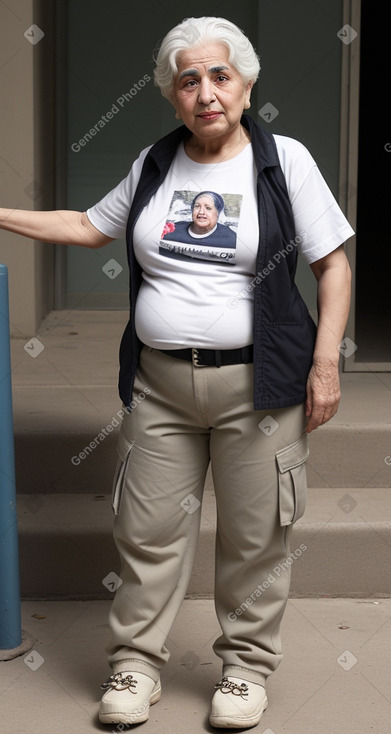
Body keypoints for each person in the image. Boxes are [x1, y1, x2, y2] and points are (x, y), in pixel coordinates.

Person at [0, 15, 354, 730]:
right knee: (146, 531)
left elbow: (332, 266)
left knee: (256, 537)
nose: (205, 92)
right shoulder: (157, 165)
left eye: (219, 75)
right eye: (188, 79)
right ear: (170, 93)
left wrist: (324, 367)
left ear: (247, 84)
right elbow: (85, 226)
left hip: (261, 385)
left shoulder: (284, 161)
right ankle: (135, 665)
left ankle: (244, 672)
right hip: (160, 385)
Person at [160, 190, 237, 262]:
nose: (201, 212)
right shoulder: (171, 229)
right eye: (197, 206)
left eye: (208, 208)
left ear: (218, 213)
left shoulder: (231, 238)